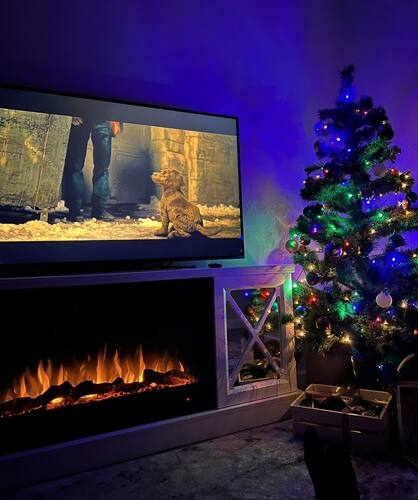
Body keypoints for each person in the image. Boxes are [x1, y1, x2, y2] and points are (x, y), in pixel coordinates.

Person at [62, 118, 122, 222]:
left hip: (96, 118)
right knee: (96, 168)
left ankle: (83, 211)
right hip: (92, 117)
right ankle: (87, 210)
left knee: (80, 167)